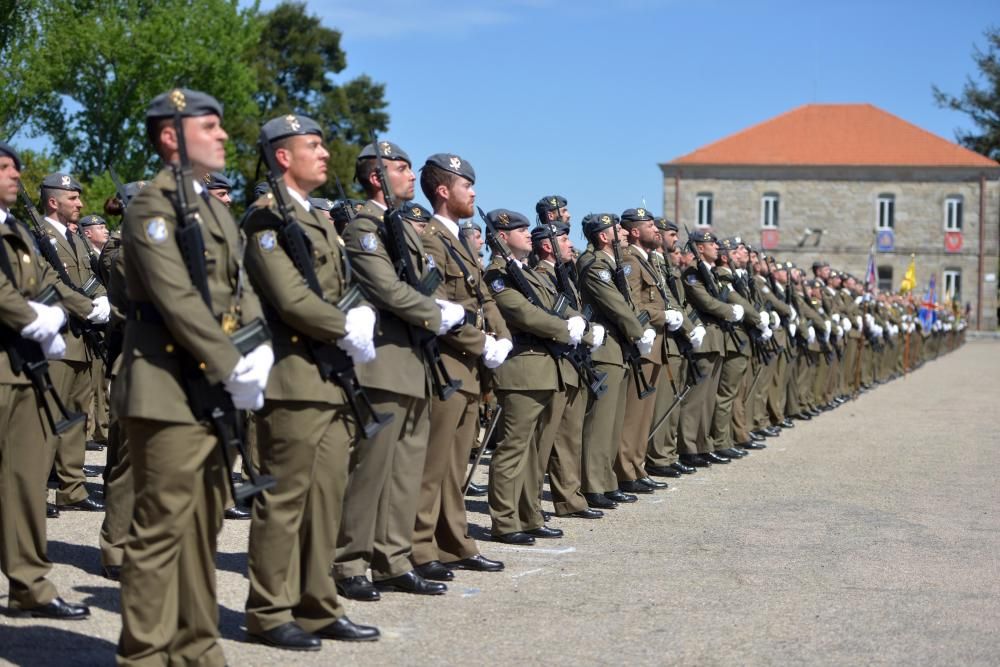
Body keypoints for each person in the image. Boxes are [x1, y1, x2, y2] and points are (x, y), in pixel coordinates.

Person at [116, 88, 273, 666]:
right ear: (170, 136)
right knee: (161, 532)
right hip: (165, 386)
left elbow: (243, 287)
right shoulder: (151, 206)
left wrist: (257, 351)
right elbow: (176, 299)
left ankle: (197, 650)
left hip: (212, 387)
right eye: (209, 126)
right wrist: (233, 364)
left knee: (203, 528)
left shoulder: (213, 207)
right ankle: (145, 656)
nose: (223, 135)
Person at [241, 114, 380, 649]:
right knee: (285, 500)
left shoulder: (318, 220)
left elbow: (345, 287)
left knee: (326, 498)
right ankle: (268, 610)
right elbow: (290, 299)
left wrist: (360, 315)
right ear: (282, 156)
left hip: (331, 377)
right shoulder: (267, 217)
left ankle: (318, 604)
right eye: (313, 146)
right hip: (293, 377)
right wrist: (345, 325)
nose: (324, 154)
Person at [334, 140, 462, 601]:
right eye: (402, 168)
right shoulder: (364, 228)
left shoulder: (404, 229)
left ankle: (392, 559)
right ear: (376, 177)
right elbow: (385, 290)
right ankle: (349, 562)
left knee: (406, 470)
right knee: (370, 470)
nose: (412, 176)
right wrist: (435, 314)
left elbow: (421, 279)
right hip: (383, 360)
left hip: (414, 360)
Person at [0, 141, 92, 619]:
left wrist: (55, 314)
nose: (15, 174)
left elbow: (39, 284)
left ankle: (28, 584)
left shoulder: (15, 230)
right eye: (4, 168)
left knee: (24, 480)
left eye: (16, 166)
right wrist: (32, 316)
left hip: (21, 368)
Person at [412, 153, 512, 580]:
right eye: (465, 184)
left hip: (470, 365)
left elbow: (484, 298)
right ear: (442, 190)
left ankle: (454, 543)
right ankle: (419, 548)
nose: (472, 191)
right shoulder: (430, 238)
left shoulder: (457, 240)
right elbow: (441, 308)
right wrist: (480, 341)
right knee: (433, 465)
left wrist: (503, 337)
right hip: (446, 361)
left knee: (455, 466)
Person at [483, 208, 583, 543]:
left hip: (548, 367)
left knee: (537, 451)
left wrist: (577, 321)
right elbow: (522, 313)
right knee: (514, 448)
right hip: (522, 368)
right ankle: (505, 520)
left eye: (528, 229)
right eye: (521, 229)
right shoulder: (498, 274)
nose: (529, 234)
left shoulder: (533, 274)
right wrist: (564, 329)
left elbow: (555, 304)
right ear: (501, 236)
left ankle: (530, 514)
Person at [38, 172, 110, 512]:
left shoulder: (77, 237)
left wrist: (104, 300)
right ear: (54, 202)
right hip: (57, 339)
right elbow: (48, 283)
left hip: (83, 341)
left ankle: (72, 488)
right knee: (46, 419)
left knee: (76, 418)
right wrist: (87, 308)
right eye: (73, 198)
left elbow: (92, 276)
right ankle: (34, 492)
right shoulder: (38, 236)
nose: (80, 203)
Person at [576, 213, 654, 508]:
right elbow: (615, 305)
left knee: (612, 422)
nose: (622, 233)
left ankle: (606, 481)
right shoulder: (595, 264)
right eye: (616, 230)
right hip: (604, 349)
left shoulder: (612, 265)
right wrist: (638, 332)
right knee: (600, 422)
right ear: (603, 237)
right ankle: (593, 484)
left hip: (617, 348)